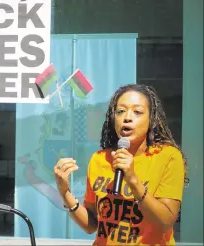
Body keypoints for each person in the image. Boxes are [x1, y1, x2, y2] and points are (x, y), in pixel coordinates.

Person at [54, 84, 187, 245]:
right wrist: (65, 192)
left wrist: (132, 180)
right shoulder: (99, 159)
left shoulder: (168, 157)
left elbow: (165, 222)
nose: (127, 117)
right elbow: (92, 225)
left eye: (137, 112)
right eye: (120, 111)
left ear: (151, 119)